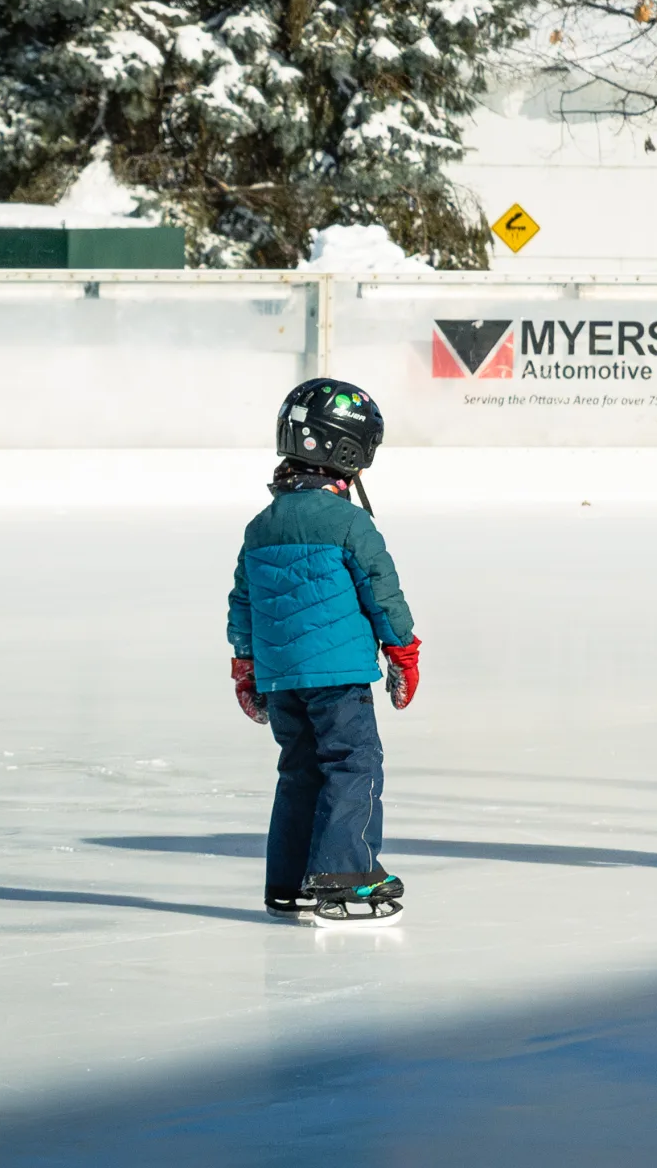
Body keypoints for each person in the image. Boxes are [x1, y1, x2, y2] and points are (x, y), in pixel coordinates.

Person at [227, 379, 421, 925]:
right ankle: (346, 879)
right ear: (346, 453)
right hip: (338, 678)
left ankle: (288, 884)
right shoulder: (349, 522)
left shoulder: (260, 526)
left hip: (281, 679)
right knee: (352, 765)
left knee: (299, 771)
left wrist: (247, 667)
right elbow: (382, 592)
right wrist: (403, 652)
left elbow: (242, 602)